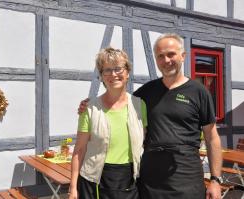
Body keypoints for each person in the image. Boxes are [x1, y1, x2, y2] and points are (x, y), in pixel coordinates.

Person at [78, 33, 223, 199]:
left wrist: (215, 180)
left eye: (171, 54)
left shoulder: (199, 92)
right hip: (151, 178)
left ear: (183, 56)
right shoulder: (146, 92)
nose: (166, 60)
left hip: (186, 175)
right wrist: (90, 104)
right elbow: (119, 99)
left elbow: (212, 138)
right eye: (160, 56)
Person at [69, 47, 147, 199]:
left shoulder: (140, 105)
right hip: (94, 180)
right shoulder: (89, 108)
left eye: (118, 68)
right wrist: (73, 188)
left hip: (129, 180)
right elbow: (79, 151)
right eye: (107, 70)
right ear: (101, 76)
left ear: (127, 73)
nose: (113, 74)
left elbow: (146, 142)